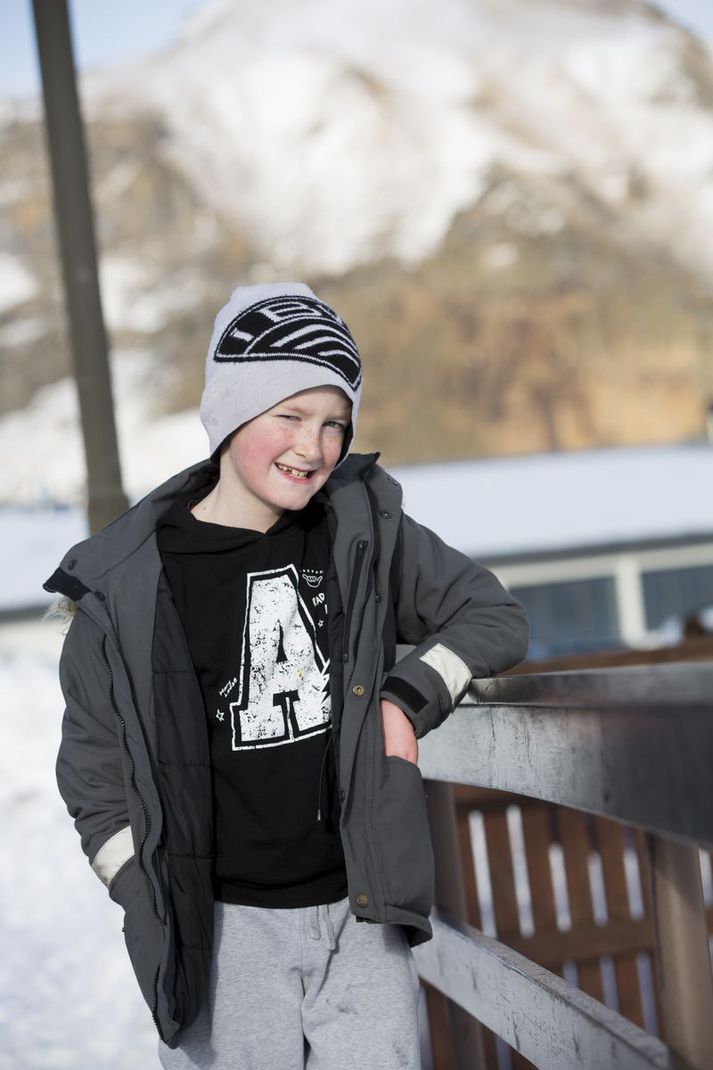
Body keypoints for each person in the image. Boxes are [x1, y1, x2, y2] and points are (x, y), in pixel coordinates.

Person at [45, 282, 529, 1069]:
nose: (316, 445)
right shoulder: (125, 584)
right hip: (222, 930)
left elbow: (491, 616)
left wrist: (409, 697)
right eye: (290, 416)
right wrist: (149, 893)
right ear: (232, 414)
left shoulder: (359, 531)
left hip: (359, 912)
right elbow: (93, 781)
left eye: (336, 422)